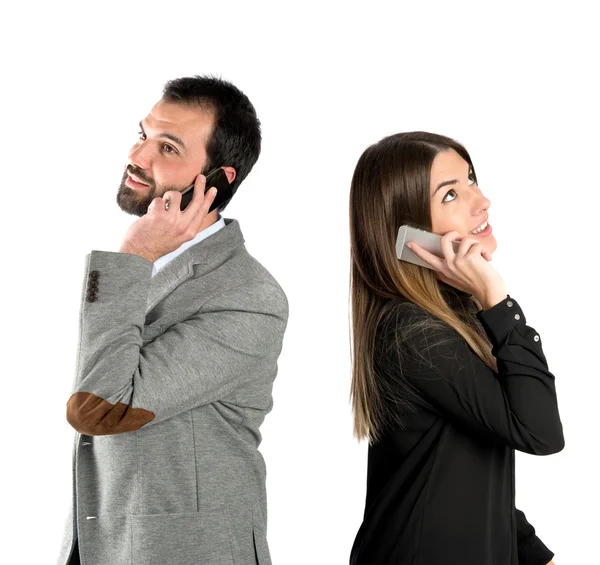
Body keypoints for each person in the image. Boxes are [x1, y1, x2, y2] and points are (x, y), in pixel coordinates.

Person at [56, 75, 289, 565]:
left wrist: (133, 255)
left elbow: (98, 409)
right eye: (143, 135)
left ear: (218, 180)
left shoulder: (249, 298)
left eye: (167, 147)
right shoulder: (145, 274)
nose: (139, 157)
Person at [348, 132, 563, 565]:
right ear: (410, 235)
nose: (481, 201)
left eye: (470, 179)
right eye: (451, 194)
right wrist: (496, 301)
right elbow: (540, 433)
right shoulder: (412, 333)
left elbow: (465, 471)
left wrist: (535, 555)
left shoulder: (448, 318)